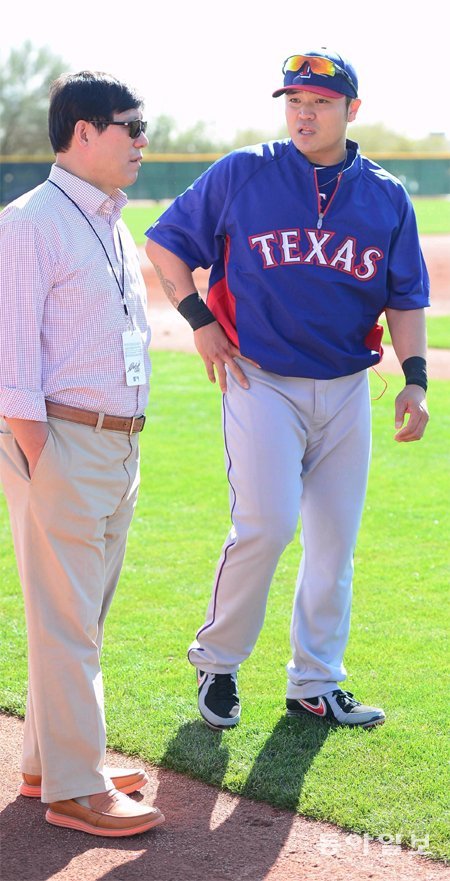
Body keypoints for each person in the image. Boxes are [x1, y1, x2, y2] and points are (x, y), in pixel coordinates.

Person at [145, 48, 430, 732]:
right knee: (266, 524)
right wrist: (200, 322)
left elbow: (405, 297)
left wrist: (414, 381)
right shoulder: (245, 171)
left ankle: (316, 682)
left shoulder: (386, 195)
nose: (304, 112)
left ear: (350, 111)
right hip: (259, 378)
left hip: (345, 388)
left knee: (334, 542)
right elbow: (165, 244)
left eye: (320, 102)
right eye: (294, 101)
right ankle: (217, 660)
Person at [0, 71, 165, 836]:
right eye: (129, 126)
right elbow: (11, 361)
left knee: (77, 618)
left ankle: (46, 761)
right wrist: (44, 453)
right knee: (69, 622)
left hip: (115, 443)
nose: (142, 140)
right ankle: (73, 786)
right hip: (63, 438)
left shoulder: (110, 220)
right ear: (83, 132)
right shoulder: (30, 221)